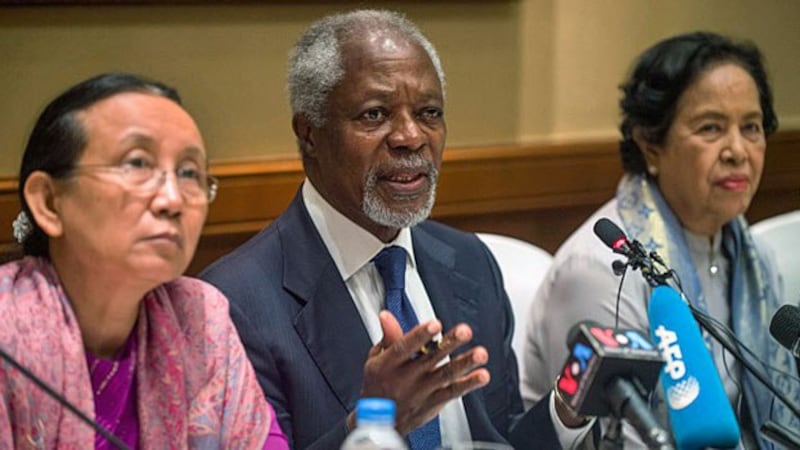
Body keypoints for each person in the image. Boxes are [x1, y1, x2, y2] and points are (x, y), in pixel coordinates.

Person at [200, 9, 596, 450]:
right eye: (374, 115)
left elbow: (500, 439)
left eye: (429, 112)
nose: (411, 136)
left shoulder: (469, 262)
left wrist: (568, 407)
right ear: (309, 133)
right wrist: (376, 422)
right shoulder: (235, 304)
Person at [521, 31, 800, 448]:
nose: (738, 150)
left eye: (752, 127)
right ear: (651, 145)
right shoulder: (602, 268)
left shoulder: (751, 255)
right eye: (711, 128)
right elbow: (619, 438)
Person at [0, 73, 289, 449]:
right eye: (137, 164)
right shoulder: (8, 334)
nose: (172, 199)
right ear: (50, 202)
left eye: (189, 173)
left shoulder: (200, 319)